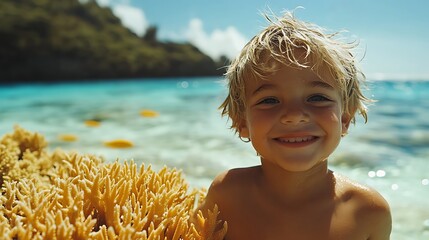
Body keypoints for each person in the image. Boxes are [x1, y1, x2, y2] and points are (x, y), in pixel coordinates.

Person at [195, 10, 392, 240]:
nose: (295, 115)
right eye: (269, 100)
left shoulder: (367, 211)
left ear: (345, 119)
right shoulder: (227, 194)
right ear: (241, 122)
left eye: (317, 98)